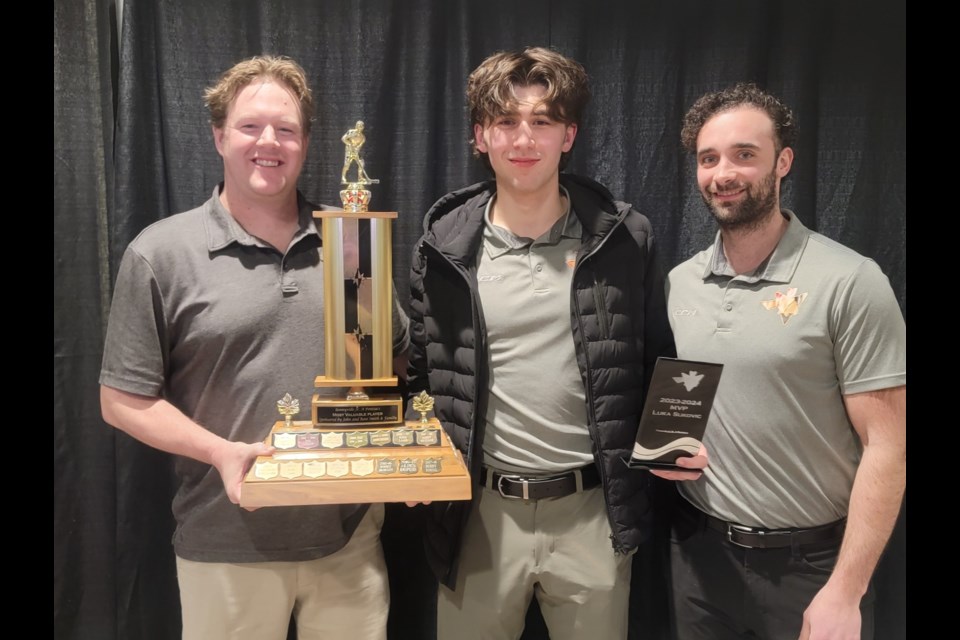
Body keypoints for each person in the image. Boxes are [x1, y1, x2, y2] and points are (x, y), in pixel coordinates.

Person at [99, 55, 409, 640]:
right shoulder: (161, 253)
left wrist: (401, 461)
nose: (269, 142)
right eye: (249, 126)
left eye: (286, 129)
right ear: (218, 136)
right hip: (225, 545)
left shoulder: (353, 246)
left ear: (306, 143)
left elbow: (387, 368)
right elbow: (121, 400)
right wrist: (221, 452)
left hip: (347, 542)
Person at [405, 47, 704, 640]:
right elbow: (422, 374)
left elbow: (655, 358)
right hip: (477, 516)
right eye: (505, 121)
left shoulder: (623, 237)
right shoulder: (442, 247)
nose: (524, 138)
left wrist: (675, 439)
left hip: (594, 514)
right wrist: (415, 465)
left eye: (541, 121)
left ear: (568, 135)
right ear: (479, 136)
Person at [666, 83, 906, 640]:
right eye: (709, 159)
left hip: (813, 568)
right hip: (699, 561)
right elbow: (685, 403)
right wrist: (667, 455)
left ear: (783, 162)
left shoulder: (850, 280)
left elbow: (888, 445)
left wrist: (846, 592)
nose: (724, 173)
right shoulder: (681, 282)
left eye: (744, 155)